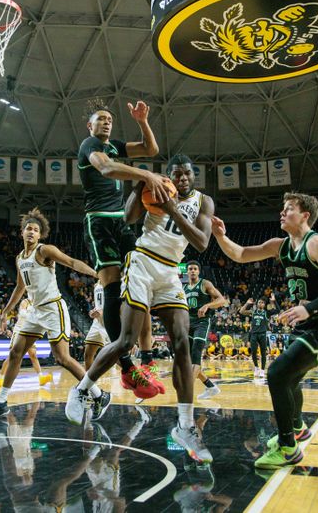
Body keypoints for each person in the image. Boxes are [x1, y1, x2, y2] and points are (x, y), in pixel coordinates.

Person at [67, 154, 215, 463]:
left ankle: (185, 425)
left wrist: (172, 209)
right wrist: (139, 185)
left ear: (193, 175)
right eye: (176, 174)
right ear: (170, 176)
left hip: (171, 271)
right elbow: (129, 218)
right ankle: (82, 390)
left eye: (187, 173)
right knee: (126, 340)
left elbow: (201, 243)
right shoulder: (156, 187)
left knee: (182, 344)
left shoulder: (204, 202)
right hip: (143, 262)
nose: (182, 178)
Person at [212, 192, 318, 469]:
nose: (282, 213)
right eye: (282, 208)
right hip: (307, 324)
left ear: (305, 215)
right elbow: (240, 254)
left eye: (288, 209)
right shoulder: (282, 245)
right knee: (290, 378)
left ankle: (289, 447)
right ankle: (298, 429)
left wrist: (309, 308)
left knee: (277, 373)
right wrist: (220, 236)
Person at [78, 99, 168, 398]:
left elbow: (150, 150)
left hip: (121, 223)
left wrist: (143, 121)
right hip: (100, 222)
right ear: (90, 126)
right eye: (101, 119)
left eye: (110, 119)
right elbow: (104, 169)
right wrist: (146, 175)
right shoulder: (90, 145)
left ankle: (147, 359)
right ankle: (128, 368)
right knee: (114, 288)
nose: (107, 122)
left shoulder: (115, 145)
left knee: (140, 282)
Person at [0, 208, 100, 419]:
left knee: (62, 358)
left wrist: (96, 274)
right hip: (34, 310)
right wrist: (6, 311)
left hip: (53, 307)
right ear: (22, 232)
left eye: (35, 230)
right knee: (16, 352)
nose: (31, 232)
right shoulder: (19, 258)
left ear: (40, 234)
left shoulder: (44, 251)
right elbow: (19, 287)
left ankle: (98, 394)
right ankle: (1, 402)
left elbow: (71, 262)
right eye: (28, 229)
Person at [183, 260, 228, 400]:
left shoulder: (205, 284)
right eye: (190, 269)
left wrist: (207, 305)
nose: (192, 271)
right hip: (188, 324)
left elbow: (222, 300)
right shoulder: (183, 288)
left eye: (195, 269)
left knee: (196, 353)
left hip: (202, 322)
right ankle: (210, 386)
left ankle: (185, 393)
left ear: (199, 271)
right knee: (189, 361)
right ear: (187, 271)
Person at [0, 299, 51, 387]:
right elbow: (22, 313)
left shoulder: (38, 303)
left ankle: (41, 378)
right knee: (12, 357)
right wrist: (36, 316)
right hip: (19, 330)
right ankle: (0, 378)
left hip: (29, 331)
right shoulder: (25, 302)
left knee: (33, 355)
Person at [240, 294, 277, 377]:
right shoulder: (253, 312)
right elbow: (241, 311)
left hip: (263, 334)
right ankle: (256, 367)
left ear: (264, 304)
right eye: (259, 302)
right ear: (257, 304)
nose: (260, 303)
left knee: (263, 353)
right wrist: (247, 303)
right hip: (253, 334)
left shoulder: (266, 313)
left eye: (262, 302)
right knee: (253, 352)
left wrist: (274, 301)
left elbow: (277, 310)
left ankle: (262, 370)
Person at [83, 280, 109, 370]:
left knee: (116, 357)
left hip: (109, 321)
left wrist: (104, 311)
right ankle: (88, 383)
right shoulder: (96, 285)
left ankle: (136, 378)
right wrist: (92, 312)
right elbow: (99, 303)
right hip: (97, 322)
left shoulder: (113, 280)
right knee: (88, 354)